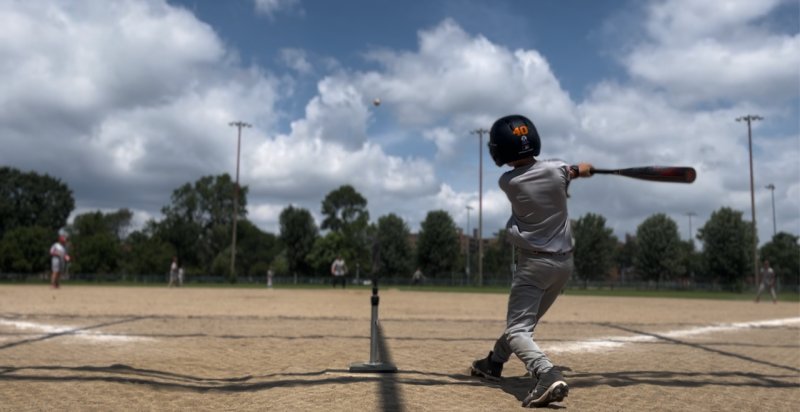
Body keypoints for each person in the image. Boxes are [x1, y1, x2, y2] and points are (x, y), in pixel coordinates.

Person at [469, 114, 592, 408]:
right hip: (563, 266)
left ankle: (545, 373)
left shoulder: (508, 181)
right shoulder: (558, 169)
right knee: (524, 322)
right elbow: (570, 170)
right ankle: (493, 363)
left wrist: (576, 171)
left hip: (534, 264)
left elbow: (561, 173)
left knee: (518, 329)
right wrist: (584, 169)